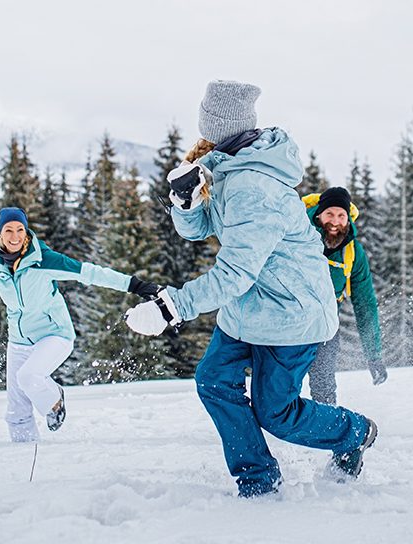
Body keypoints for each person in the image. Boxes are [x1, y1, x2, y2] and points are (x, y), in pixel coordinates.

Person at [123, 80, 377, 498]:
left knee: (277, 414)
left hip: (290, 316)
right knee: (213, 380)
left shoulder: (254, 187)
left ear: (219, 125)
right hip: (248, 310)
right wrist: (186, 206)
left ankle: (354, 432)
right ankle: (258, 478)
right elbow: (202, 229)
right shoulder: (229, 168)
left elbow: (234, 274)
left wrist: (172, 308)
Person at [0, 207, 160, 443]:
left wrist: (135, 285)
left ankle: (55, 400)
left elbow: (90, 273)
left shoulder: (43, 260)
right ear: (0, 235)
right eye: (8, 230)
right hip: (18, 342)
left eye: (20, 230)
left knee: (29, 376)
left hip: (55, 335)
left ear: (26, 232)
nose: (15, 236)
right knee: (16, 410)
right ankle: (24, 457)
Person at [301, 187, 387, 406]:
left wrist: (373, 355)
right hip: (290, 320)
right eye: (330, 214)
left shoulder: (353, 253)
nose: (335, 221)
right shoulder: (297, 234)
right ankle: (280, 423)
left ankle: (327, 428)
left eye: (341, 215)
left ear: (348, 218)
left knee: (324, 382)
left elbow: (365, 305)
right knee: (281, 380)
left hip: (326, 325)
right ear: (319, 214)